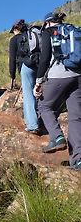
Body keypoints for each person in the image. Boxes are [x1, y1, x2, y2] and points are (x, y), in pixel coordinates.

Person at [33, 12, 81, 170]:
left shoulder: (48, 33)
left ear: (47, 23)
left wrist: (38, 81)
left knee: (44, 106)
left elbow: (45, 58)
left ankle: (56, 137)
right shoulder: (72, 30)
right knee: (76, 117)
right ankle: (78, 160)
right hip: (78, 76)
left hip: (58, 76)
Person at [9, 19, 40, 134]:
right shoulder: (32, 35)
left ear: (16, 29)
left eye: (13, 31)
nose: (13, 33)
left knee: (28, 95)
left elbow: (12, 59)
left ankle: (32, 125)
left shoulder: (14, 39)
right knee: (39, 92)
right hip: (40, 65)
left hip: (26, 67)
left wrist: (12, 76)